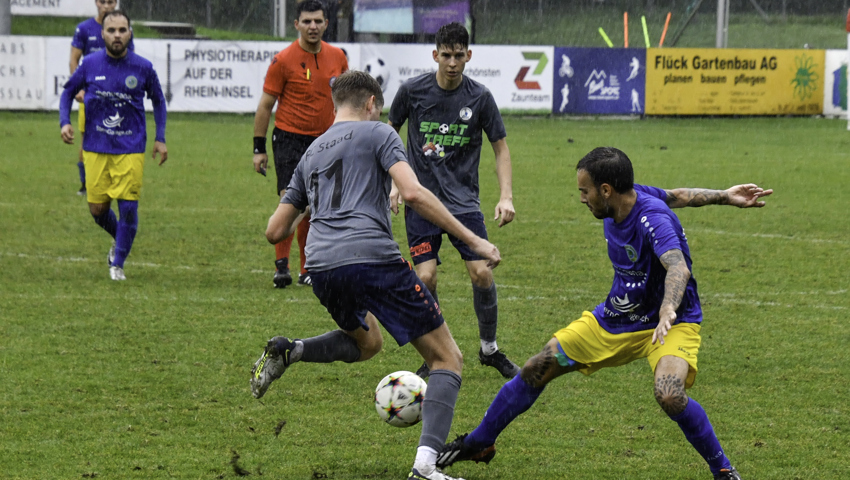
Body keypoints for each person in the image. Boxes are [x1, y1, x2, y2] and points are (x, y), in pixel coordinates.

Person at [436, 147, 774, 480]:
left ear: (606, 190)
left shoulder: (651, 218)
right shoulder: (633, 195)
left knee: (669, 393)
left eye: (585, 191)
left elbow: (677, 267)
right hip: (613, 321)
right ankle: (479, 443)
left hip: (668, 325)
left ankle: (724, 470)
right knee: (536, 367)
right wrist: (725, 196)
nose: (582, 198)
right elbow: (678, 195)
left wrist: (668, 307)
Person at [250, 71, 500, 480]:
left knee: (366, 342)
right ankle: (425, 466)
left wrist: (320, 206)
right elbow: (415, 193)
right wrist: (475, 239)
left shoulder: (311, 153)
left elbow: (275, 230)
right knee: (447, 359)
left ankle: (290, 350)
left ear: (337, 104)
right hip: (371, 257)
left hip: (322, 266)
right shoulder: (380, 134)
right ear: (371, 104)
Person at [388, 22, 519, 379]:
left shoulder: (479, 97)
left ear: (468, 56)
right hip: (421, 203)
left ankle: (488, 349)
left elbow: (501, 148)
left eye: (458, 55)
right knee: (425, 278)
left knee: (481, 273)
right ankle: (438, 352)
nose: (452, 62)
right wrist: (396, 182)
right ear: (435, 55)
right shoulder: (412, 91)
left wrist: (506, 196)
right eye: (445, 55)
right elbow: (387, 134)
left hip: (463, 206)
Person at [59, 11, 168, 281]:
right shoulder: (90, 64)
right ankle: (121, 237)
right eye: (111, 30)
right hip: (95, 147)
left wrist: (160, 137)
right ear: (103, 35)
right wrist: (64, 122)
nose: (117, 35)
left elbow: (159, 101)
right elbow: (67, 92)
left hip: (131, 147)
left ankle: (117, 263)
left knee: (129, 207)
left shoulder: (143, 67)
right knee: (97, 210)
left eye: (122, 30)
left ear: (130, 33)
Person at [252, 0, 348, 289]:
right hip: (289, 138)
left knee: (316, 204)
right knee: (291, 199)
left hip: (326, 139)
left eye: (317, 21)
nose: (313, 26)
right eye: (306, 21)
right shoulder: (282, 60)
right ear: (296, 25)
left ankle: (308, 267)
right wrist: (258, 148)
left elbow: (346, 100)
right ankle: (282, 266)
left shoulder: (337, 57)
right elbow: (265, 106)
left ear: (326, 24)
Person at [69, 0, 134, 196]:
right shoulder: (84, 28)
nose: (107, 6)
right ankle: (85, 183)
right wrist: (78, 88)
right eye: (103, 1)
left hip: (116, 96)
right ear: (97, 3)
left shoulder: (123, 29)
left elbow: (130, 58)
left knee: (119, 136)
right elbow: (74, 59)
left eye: (111, 2)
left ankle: (116, 179)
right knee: (87, 138)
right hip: (91, 96)